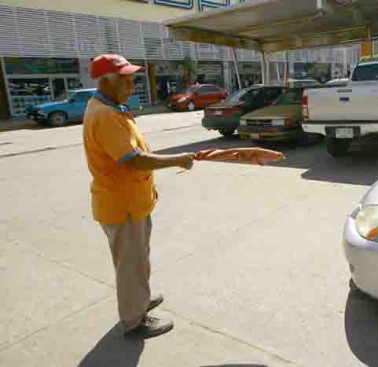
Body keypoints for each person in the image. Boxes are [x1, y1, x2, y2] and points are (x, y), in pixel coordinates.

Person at [83, 54, 284, 339]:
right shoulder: (105, 115)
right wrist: (178, 159)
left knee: (139, 259)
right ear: (106, 81)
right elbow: (133, 160)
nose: (131, 86)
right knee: (130, 265)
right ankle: (134, 319)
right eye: (125, 80)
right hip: (122, 205)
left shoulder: (113, 107)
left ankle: (139, 299)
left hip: (133, 201)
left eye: (132, 79)